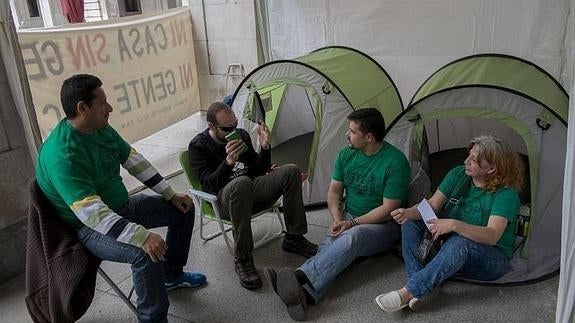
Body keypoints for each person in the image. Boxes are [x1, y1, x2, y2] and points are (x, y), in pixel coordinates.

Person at [35, 74, 206, 323]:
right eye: (103, 103)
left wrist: (170, 194)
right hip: (89, 227)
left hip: (122, 206)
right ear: (82, 108)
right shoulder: (62, 156)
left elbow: (133, 161)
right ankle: (153, 319)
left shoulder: (100, 129)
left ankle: (171, 275)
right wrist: (142, 236)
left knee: (184, 208)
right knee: (145, 253)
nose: (110, 108)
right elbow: (92, 213)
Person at [265, 108, 410, 321]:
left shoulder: (395, 162)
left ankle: (298, 276)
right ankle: (305, 295)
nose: (346, 135)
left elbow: (388, 209)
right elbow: (334, 192)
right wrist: (337, 218)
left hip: (384, 226)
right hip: (349, 217)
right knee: (332, 248)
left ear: (369, 137)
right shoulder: (346, 154)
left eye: (352, 131)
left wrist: (351, 223)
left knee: (352, 238)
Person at [375, 135, 523, 312]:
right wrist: (408, 212)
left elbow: (492, 236)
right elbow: (432, 205)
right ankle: (424, 286)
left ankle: (408, 292)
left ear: (491, 168)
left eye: (474, 160)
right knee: (410, 222)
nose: (466, 161)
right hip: (450, 244)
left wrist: (454, 224)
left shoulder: (506, 194)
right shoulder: (459, 174)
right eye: (468, 155)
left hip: (491, 259)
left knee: (460, 242)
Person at [187, 102, 318, 290]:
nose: (233, 130)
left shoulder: (241, 135)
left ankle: (294, 238)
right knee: (241, 183)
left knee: (291, 171)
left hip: (251, 188)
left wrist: (264, 147)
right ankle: (242, 258)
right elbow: (209, 185)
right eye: (227, 129)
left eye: (235, 125)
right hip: (226, 200)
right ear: (211, 126)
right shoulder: (198, 146)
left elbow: (258, 169)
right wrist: (228, 163)